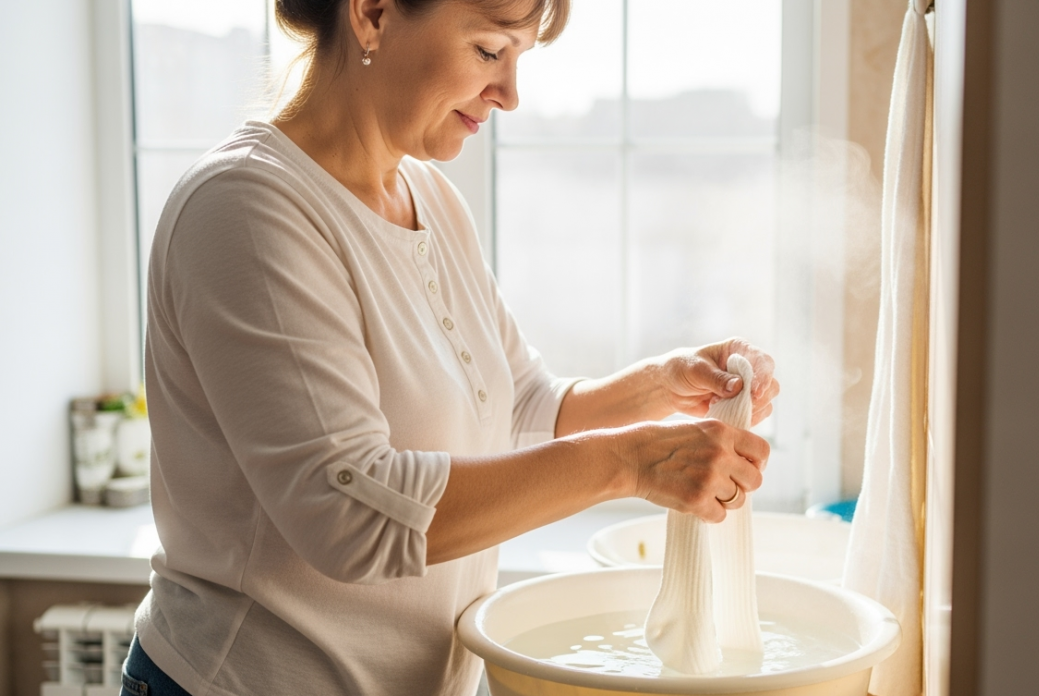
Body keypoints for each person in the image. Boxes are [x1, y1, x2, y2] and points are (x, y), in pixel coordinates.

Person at [122, 0, 780, 694]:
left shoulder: (430, 197)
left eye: (520, 59)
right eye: (490, 52)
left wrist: (661, 386)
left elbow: (519, 407)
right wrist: (632, 464)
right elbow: (349, 514)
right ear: (373, 14)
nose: (511, 95)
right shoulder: (247, 209)